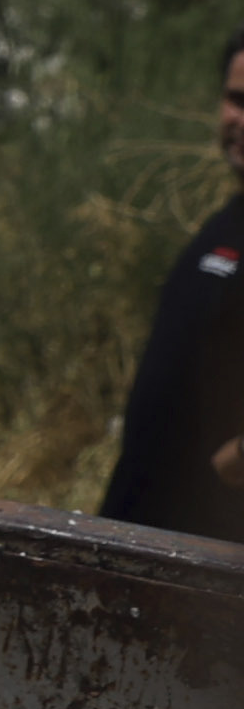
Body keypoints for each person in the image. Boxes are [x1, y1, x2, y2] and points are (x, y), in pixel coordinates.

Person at [89, 29, 244, 535]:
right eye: (236, 100)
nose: (241, 121)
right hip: (141, 538)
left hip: (211, 573)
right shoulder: (227, 220)